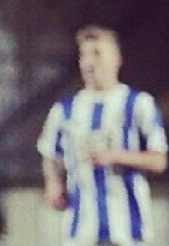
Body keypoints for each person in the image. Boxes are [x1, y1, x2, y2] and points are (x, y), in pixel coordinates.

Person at [37, 25, 168, 246]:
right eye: (84, 55)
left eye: (97, 53)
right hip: (81, 231)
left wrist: (115, 156)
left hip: (127, 231)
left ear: (116, 59)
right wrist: (53, 182)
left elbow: (159, 160)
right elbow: (50, 153)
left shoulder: (138, 104)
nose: (89, 62)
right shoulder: (64, 110)